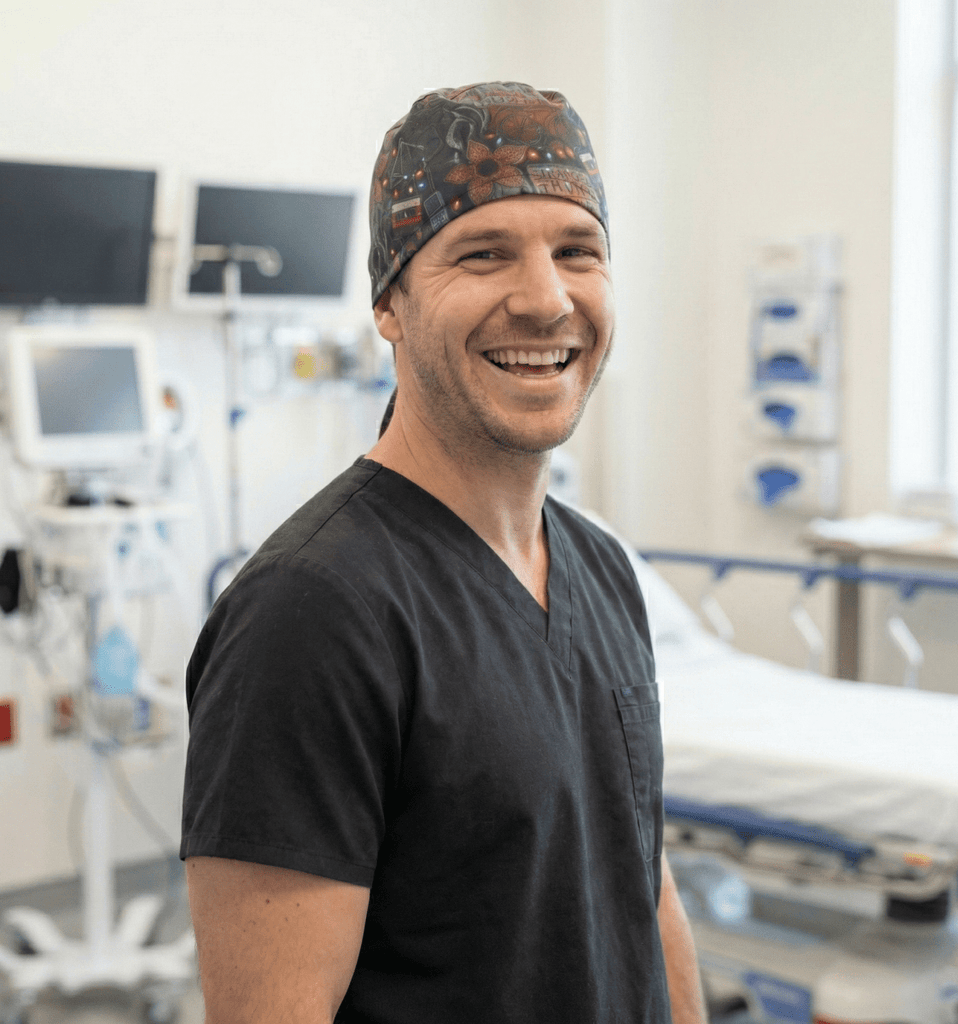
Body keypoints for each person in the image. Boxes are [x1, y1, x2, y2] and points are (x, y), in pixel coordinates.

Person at [181, 81, 706, 1024]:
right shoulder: (314, 612)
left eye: (577, 251)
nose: (546, 300)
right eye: (484, 253)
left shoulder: (603, 570)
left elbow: (640, 879)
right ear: (391, 300)